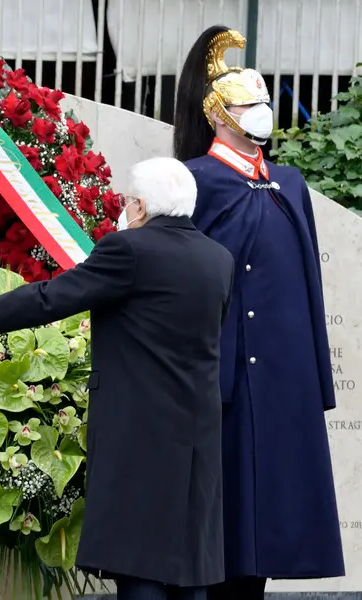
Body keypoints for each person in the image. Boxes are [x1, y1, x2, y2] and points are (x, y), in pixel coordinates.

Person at [0, 157, 233, 600]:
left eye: (126, 201)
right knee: (189, 566)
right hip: (197, 433)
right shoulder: (218, 258)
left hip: (137, 432)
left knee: (139, 566)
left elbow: (52, 298)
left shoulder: (130, 250)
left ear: (139, 207)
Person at [173, 26, 344, 599]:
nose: (262, 112)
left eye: (264, 101)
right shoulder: (195, 180)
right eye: (249, 103)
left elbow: (309, 283)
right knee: (224, 528)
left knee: (271, 524)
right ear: (219, 114)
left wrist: (315, 374)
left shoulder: (288, 182)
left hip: (284, 378)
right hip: (223, 377)